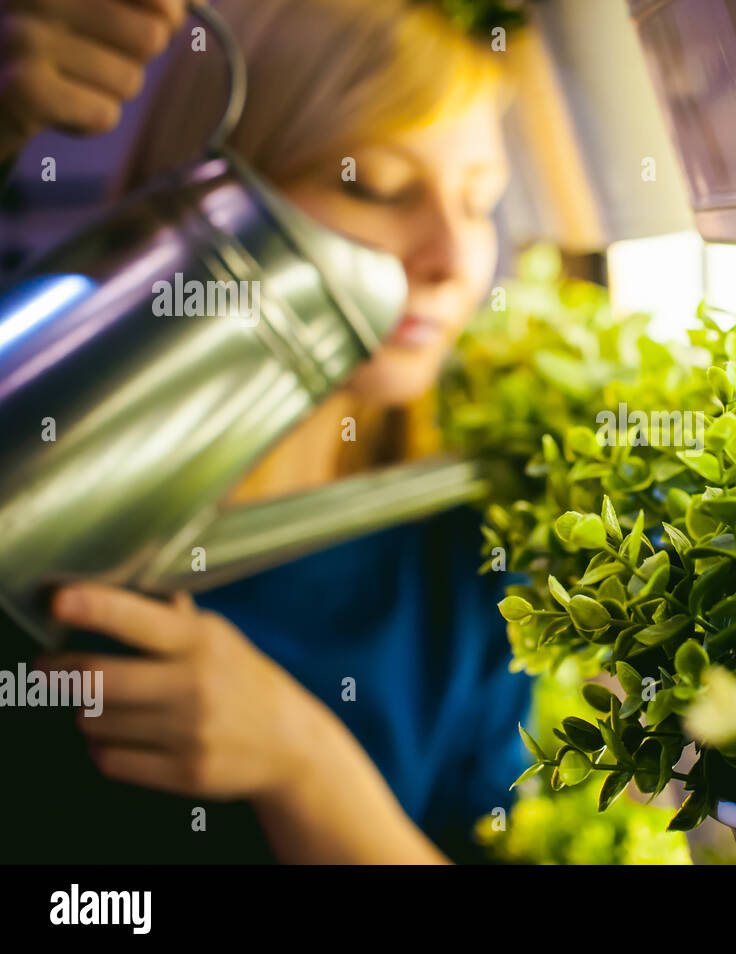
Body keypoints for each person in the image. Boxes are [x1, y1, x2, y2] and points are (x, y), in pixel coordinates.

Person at [0, 0, 529, 863]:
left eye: (480, 204)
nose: (449, 260)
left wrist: (303, 766)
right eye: (376, 186)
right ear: (212, 187)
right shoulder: (46, 468)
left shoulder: (467, 554)